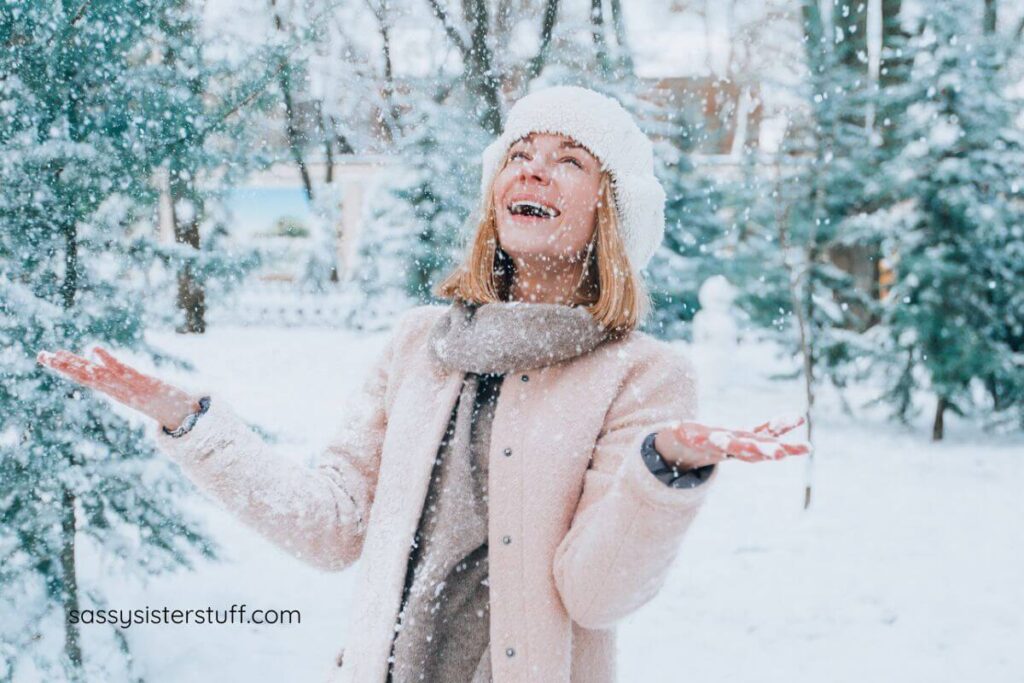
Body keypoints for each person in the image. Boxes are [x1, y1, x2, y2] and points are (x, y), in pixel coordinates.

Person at [37, 85, 809, 683]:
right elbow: (334, 523)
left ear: (609, 212)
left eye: (571, 159)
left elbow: (595, 595)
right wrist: (192, 423)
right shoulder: (419, 343)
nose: (534, 167)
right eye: (520, 153)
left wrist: (662, 472)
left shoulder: (642, 374)